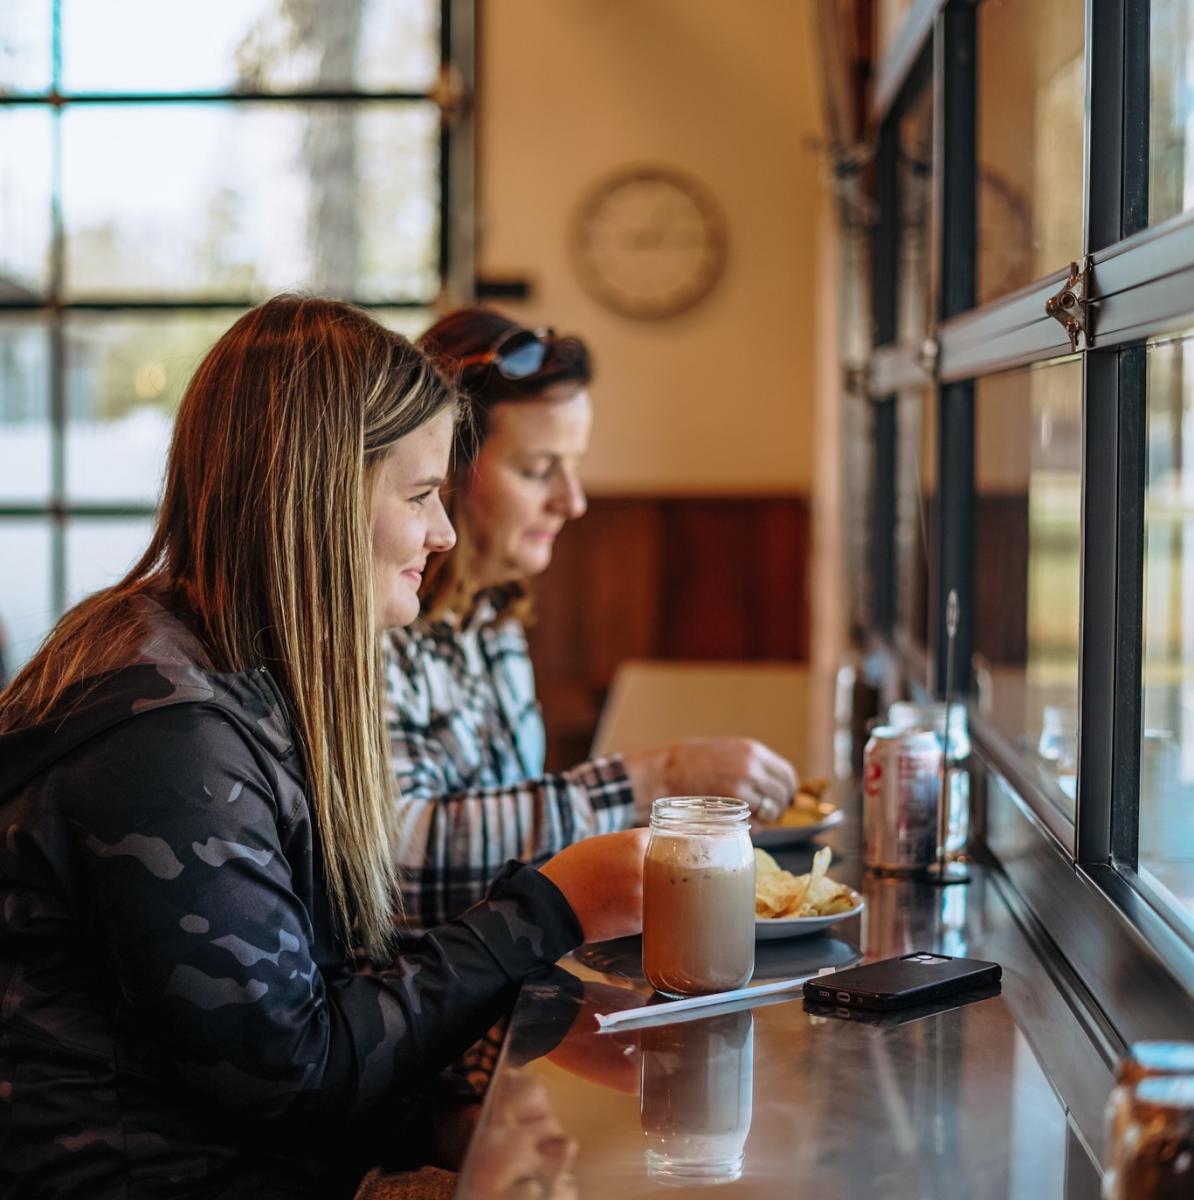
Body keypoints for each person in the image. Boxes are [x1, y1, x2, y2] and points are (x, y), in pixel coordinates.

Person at [0, 296, 647, 1200]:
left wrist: (448, 1115)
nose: (445, 533)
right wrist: (552, 906)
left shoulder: (243, 663)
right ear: (321, 496)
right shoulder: (164, 735)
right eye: (421, 495)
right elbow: (290, 1076)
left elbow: (319, 992)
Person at [384, 308, 798, 929]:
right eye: (537, 469)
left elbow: (506, 818)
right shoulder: (381, 621)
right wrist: (653, 778)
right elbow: (399, 853)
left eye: (574, 464)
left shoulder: (492, 611)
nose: (572, 501)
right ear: (445, 473)